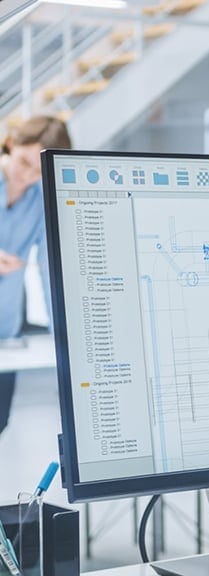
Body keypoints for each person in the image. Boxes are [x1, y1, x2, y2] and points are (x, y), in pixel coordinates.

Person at [0, 115, 72, 438]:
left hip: (6, 332)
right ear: (13, 144)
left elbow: (49, 268)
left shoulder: (40, 201)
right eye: (25, 161)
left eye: (37, 169)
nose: (27, 174)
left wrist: (64, 342)